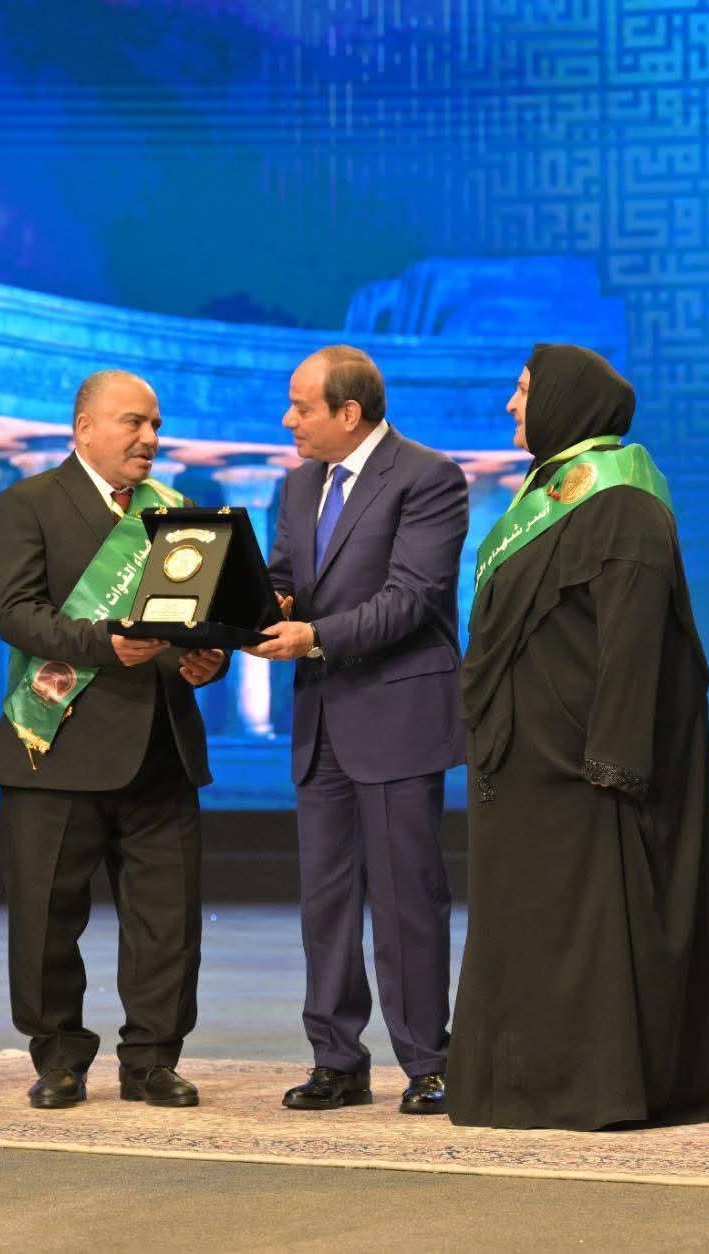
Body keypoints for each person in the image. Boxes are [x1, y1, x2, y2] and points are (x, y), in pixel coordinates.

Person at [447, 343, 709, 1132]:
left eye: (523, 389)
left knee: (590, 936)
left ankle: (592, 1089)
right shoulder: (543, 498)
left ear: (565, 401)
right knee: (525, 932)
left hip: (587, 771)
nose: (511, 404)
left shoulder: (626, 501)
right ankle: (520, 1087)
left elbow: (634, 643)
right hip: (523, 766)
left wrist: (613, 758)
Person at [0, 369, 226, 1111]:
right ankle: (58, 1056)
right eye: (133, 423)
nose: (149, 438)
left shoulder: (178, 513)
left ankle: (152, 1058)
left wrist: (209, 658)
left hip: (163, 747)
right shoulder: (28, 502)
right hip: (57, 743)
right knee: (46, 918)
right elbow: (16, 613)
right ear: (84, 427)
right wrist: (101, 642)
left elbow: (195, 620)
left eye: (155, 425)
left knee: (168, 921)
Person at [249, 346, 469, 1116]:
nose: (288, 420)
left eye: (301, 407)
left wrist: (313, 637)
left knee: (407, 899)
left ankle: (429, 1063)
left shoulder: (428, 477)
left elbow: (412, 598)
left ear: (349, 413)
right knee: (327, 903)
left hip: (396, 715)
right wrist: (257, 607)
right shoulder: (298, 483)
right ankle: (337, 1061)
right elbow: (285, 578)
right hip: (321, 722)